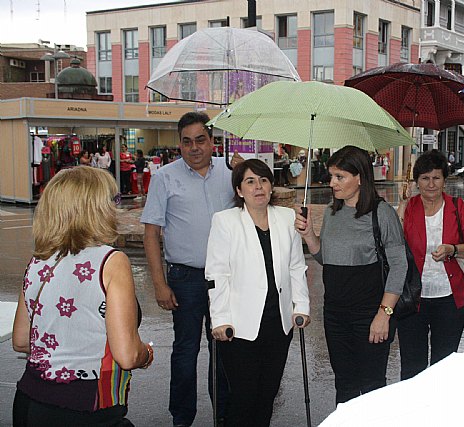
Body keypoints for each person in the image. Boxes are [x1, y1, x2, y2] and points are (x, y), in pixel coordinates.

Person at [12, 166, 152, 426]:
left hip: (30, 400)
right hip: (86, 403)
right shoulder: (111, 261)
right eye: (113, 199)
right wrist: (146, 354)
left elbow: (21, 340)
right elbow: (127, 355)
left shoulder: (38, 260)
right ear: (95, 207)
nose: (116, 207)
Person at [141, 111, 242, 426]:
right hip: (184, 278)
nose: (194, 147)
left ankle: (224, 414)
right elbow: (151, 233)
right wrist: (159, 284)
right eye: (187, 142)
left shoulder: (231, 172)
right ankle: (182, 418)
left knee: (224, 348)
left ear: (212, 141)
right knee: (185, 351)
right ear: (179, 145)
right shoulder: (164, 178)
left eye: (200, 140)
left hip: (225, 277)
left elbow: (257, 205)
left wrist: (247, 173)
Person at [295, 145, 407, 405]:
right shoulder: (332, 212)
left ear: (360, 178)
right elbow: (326, 258)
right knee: (344, 385)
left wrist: (384, 315)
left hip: (369, 314)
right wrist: (309, 235)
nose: (332, 183)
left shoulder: (382, 213)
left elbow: (399, 266)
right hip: (335, 315)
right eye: (331, 176)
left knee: (371, 387)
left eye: (339, 177)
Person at [205, 159, 310, 426]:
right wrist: (220, 319)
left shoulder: (286, 218)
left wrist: (301, 306)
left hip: (278, 323)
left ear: (271, 186)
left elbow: (296, 266)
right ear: (239, 190)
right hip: (240, 326)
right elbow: (217, 274)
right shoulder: (225, 221)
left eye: (263, 180)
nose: (258, 187)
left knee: (267, 395)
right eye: (250, 182)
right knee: (244, 397)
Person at [396, 150, 464, 380]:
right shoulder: (409, 207)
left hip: (449, 300)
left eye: (436, 177)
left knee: (443, 367)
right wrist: (402, 207)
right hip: (412, 299)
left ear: (445, 180)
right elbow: (394, 244)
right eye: (425, 178)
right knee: (412, 368)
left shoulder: (457, 207)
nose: (431, 184)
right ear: (417, 181)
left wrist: (453, 249)